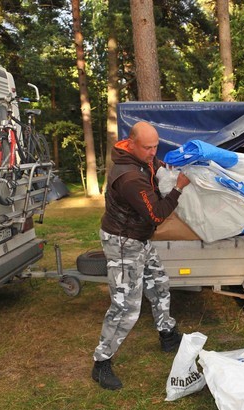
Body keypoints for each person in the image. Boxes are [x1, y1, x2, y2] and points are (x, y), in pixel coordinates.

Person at [92, 122, 191, 390]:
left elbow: (155, 165)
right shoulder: (129, 178)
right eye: (148, 147)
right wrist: (178, 188)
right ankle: (101, 362)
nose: (153, 152)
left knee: (159, 284)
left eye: (156, 145)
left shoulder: (140, 158)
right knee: (125, 307)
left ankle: (167, 335)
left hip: (139, 238)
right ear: (132, 143)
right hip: (124, 243)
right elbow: (158, 214)